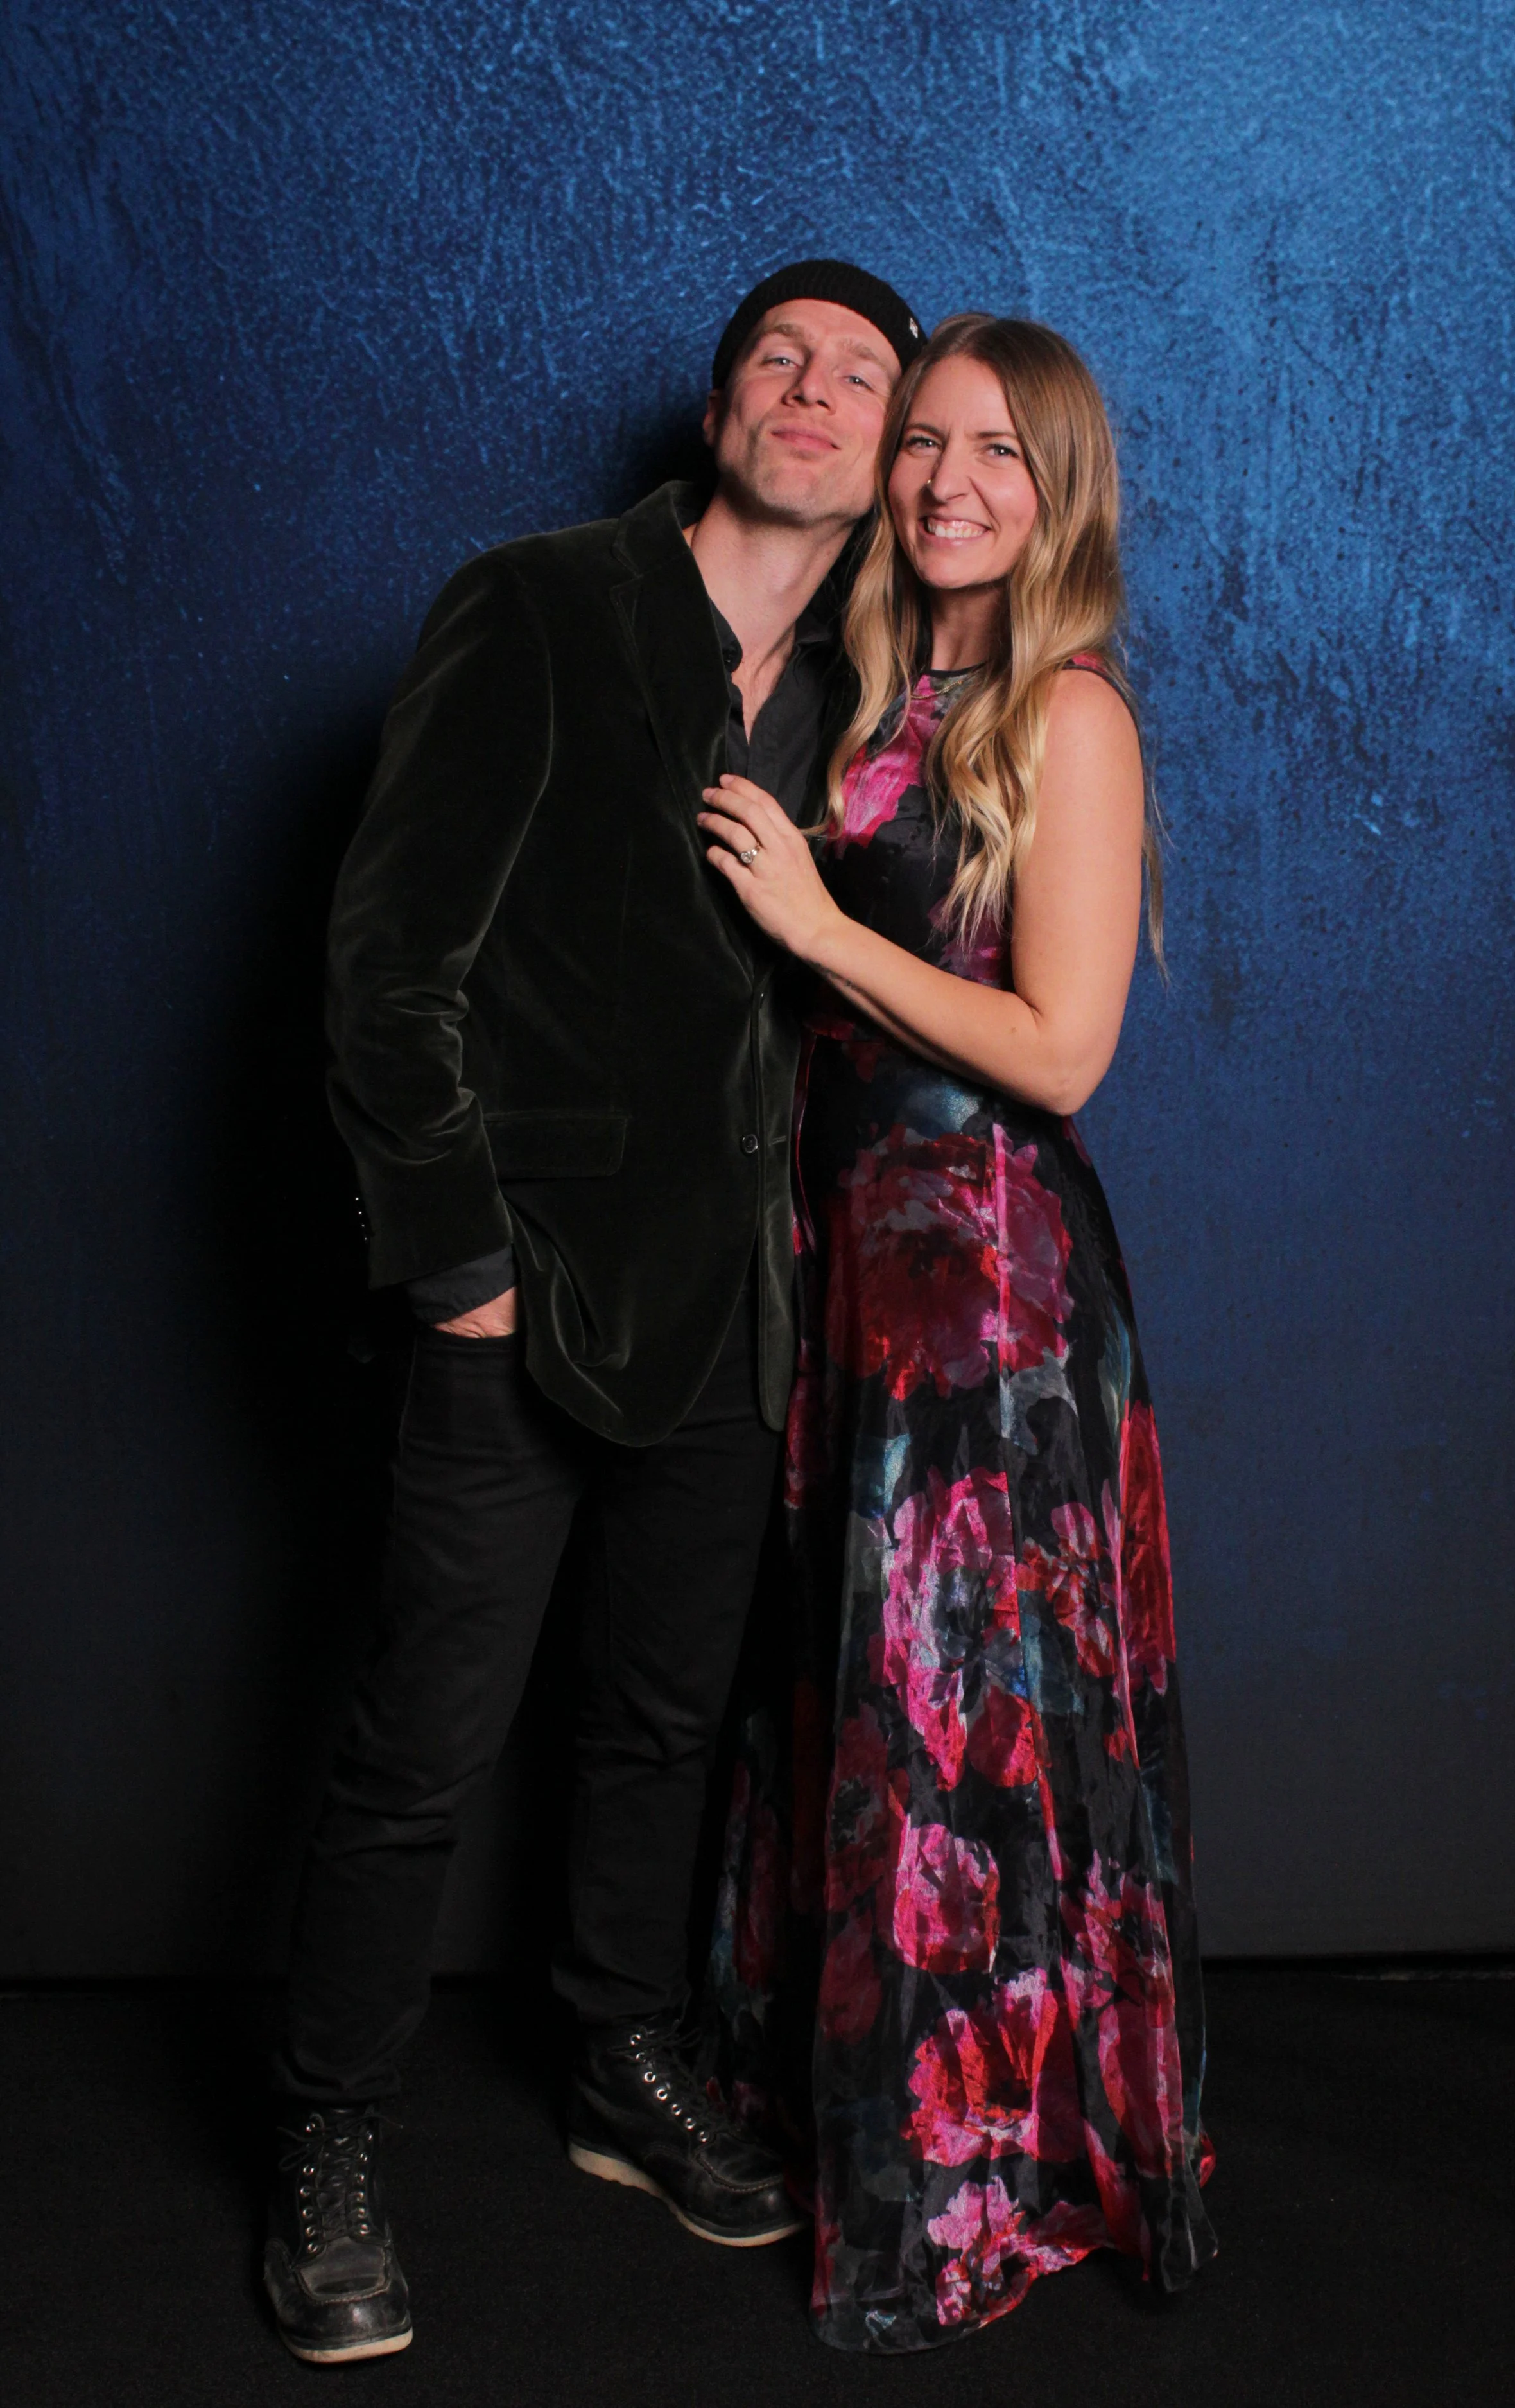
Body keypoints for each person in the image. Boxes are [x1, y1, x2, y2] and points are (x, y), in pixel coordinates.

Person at [263, 259, 927, 2367]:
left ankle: (618, 2058)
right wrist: (453, 1262)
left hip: (727, 1313)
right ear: (722, 406)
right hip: (514, 1298)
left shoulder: (856, 694)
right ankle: (326, 2129)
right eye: (777, 361)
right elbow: (389, 962)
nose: (809, 393)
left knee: (658, 1730)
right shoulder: (540, 600)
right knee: (412, 1750)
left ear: (888, 455)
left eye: (856, 379)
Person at [697, 313, 1218, 2351]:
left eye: (994, 451)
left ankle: (980, 2169)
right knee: (849, 1688)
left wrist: (820, 928)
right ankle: (840, 2120)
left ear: (1057, 481)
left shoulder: (1061, 713)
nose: (940, 480)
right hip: (848, 1268)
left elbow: (1062, 1048)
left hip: (983, 1293)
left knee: (963, 1715)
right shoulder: (879, 686)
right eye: (922, 442)